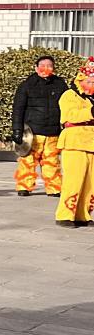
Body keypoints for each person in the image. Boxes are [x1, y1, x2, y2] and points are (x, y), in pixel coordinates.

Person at [13, 55, 67, 199]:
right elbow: (18, 109)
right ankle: (24, 186)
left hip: (53, 132)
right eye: (42, 66)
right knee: (28, 161)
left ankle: (54, 188)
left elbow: (67, 107)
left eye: (49, 66)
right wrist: (17, 130)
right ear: (36, 68)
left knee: (52, 162)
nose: (46, 69)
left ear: (53, 68)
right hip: (32, 132)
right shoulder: (26, 85)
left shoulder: (60, 84)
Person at [56, 57, 94, 228]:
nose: (92, 84)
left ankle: (83, 215)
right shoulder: (69, 95)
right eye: (89, 81)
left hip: (92, 143)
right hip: (74, 141)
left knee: (91, 183)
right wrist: (91, 112)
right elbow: (70, 116)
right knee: (74, 180)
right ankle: (65, 215)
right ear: (81, 80)